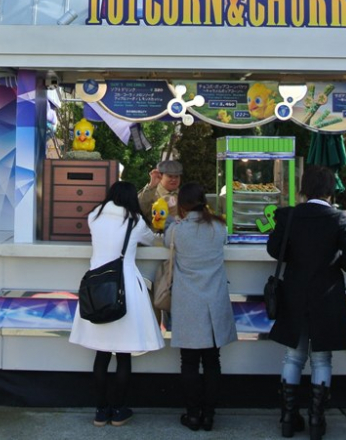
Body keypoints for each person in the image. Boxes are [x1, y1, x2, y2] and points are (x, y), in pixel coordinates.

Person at [267, 165, 346, 440]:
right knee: (322, 359)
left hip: (294, 292)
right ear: (330, 190)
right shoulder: (339, 219)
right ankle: (317, 421)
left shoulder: (289, 215)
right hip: (327, 293)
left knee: (293, 356)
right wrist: (335, 265)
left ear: (304, 188)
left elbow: (274, 250)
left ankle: (287, 418)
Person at [70, 181, 163, 427]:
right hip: (126, 291)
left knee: (101, 355)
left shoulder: (94, 216)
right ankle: (119, 411)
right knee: (123, 356)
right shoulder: (135, 221)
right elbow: (152, 241)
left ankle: (101, 411)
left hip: (96, 290)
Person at [166, 182, 237, 432]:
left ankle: (192, 414)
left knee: (188, 362)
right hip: (214, 300)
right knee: (212, 361)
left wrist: (174, 215)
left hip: (187, 303)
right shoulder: (219, 227)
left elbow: (165, 241)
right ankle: (209, 416)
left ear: (183, 205)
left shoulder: (176, 231)